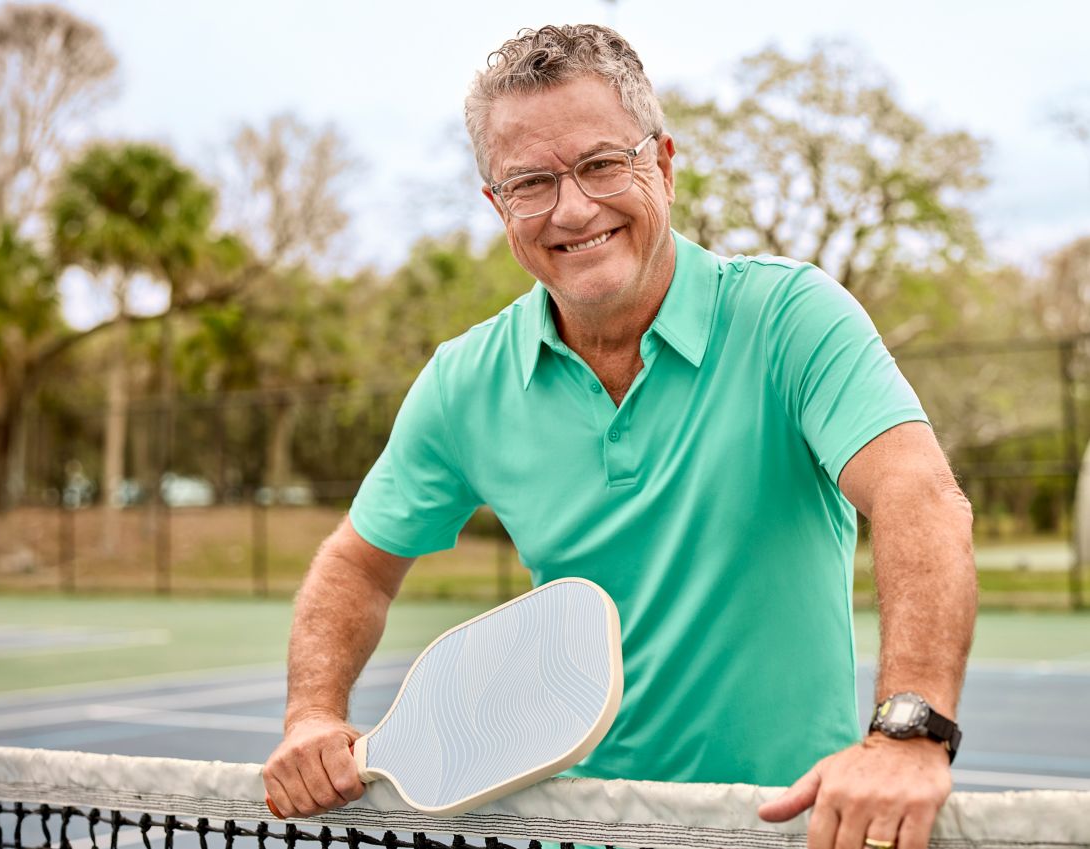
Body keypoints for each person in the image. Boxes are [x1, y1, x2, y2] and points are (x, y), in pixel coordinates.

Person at [263, 24, 976, 849]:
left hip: (783, 831)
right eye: (530, 181)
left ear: (662, 165)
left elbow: (918, 496)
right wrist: (312, 713)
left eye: (601, 164)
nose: (573, 208)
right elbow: (357, 560)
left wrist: (907, 733)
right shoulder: (463, 381)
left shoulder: (792, 318)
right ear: (499, 207)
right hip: (574, 831)